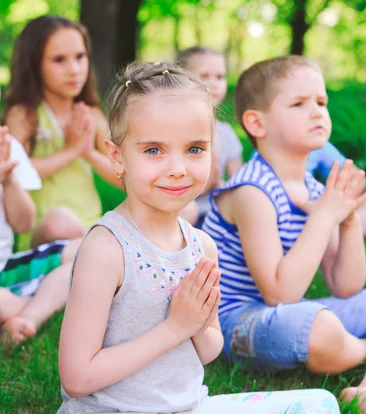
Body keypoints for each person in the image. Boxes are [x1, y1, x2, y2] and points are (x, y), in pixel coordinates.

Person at [57, 61, 340, 413]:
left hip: (189, 406)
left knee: (319, 404)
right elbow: (76, 377)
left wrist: (198, 324)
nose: (177, 168)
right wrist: (176, 327)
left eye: (194, 149)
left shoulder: (201, 246)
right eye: (153, 150)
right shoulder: (107, 248)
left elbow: (208, 351)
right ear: (117, 156)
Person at [202, 56, 366, 414]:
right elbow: (279, 292)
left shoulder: (316, 191)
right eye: (299, 104)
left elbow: (345, 286)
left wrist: (347, 221)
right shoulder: (252, 191)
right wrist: (324, 217)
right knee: (319, 328)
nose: (316, 112)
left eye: (321, 102)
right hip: (235, 324)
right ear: (257, 122)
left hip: (286, 314)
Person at [2, 15, 119, 250]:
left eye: (80, 57)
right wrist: (70, 151)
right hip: (43, 234)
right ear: (35, 64)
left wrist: (89, 154)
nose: (74, 69)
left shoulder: (92, 115)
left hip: (91, 227)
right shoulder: (24, 115)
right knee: (60, 221)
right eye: (59, 60)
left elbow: (125, 176)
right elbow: (15, 174)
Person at [0, 126, 79, 343]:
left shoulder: (6, 145)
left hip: (6, 269)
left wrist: (8, 180)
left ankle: (26, 316)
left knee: (86, 253)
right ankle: (43, 303)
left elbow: (23, 223)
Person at [176, 47, 244, 228]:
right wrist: (206, 187)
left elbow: (239, 180)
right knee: (187, 211)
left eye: (220, 77)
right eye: (204, 76)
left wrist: (222, 187)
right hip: (184, 209)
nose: (214, 83)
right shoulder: (176, 131)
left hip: (218, 209)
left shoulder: (226, 132)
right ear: (180, 82)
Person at [307, 141, 366, 240]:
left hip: (322, 215)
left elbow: (358, 178)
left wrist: (334, 207)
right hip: (302, 220)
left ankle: (340, 238)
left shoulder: (316, 144)